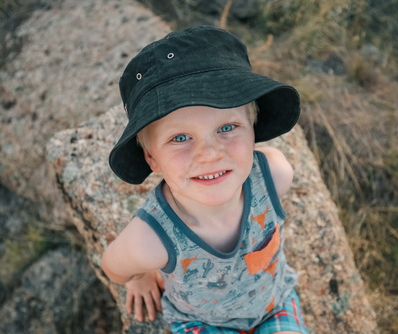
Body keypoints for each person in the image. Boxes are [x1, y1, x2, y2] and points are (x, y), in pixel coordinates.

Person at [102, 25, 308, 334]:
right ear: (152, 158)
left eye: (227, 127)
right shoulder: (152, 239)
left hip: (273, 305)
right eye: (181, 137)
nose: (209, 154)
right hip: (203, 323)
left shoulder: (275, 176)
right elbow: (113, 266)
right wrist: (141, 276)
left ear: (253, 129)